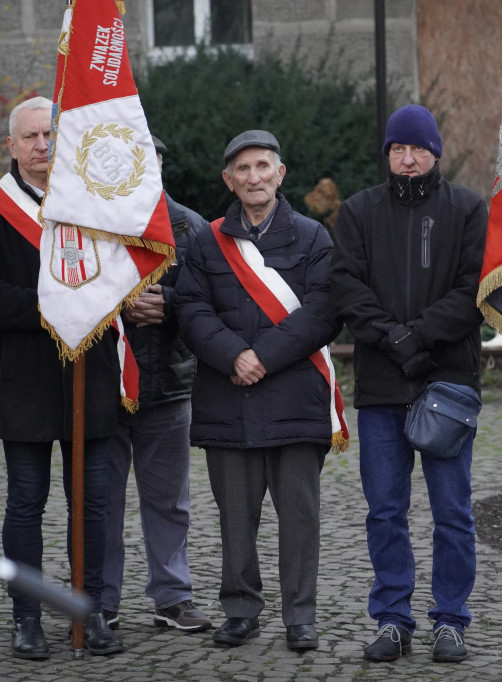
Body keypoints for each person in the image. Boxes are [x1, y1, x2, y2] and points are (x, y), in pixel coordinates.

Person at [0, 96, 123, 659]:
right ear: (11, 145)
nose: (41, 147)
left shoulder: (93, 204)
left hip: (90, 378)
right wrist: (51, 308)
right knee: (26, 503)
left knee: (92, 505)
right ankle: (26, 617)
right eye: (29, 137)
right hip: (24, 381)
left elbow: (118, 275)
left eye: (49, 135)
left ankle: (91, 609)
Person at [330, 104, 488, 664]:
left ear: (435, 152)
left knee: (453, 512)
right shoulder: (358, 211)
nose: (408, 157)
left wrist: (416, 336)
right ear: (388, 154)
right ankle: (394, 618)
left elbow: (475, 290)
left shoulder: (468, 210)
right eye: (398, 148)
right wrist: (392, 339)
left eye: (418, 148)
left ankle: (451, 619)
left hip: (447, 385)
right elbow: (346, 285)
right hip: (380, 387)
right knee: (385, 510)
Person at [175, 130, 341, 651]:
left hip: (294, 397)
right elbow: (190, 309)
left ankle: (300, 616)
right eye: (242, 169)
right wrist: (233, 356)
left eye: (262, 167)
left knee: (299, 518)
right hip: (230, 399)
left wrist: (262, 357)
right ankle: (241, 610)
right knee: (235, 520)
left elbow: (324, 311)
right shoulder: (207, 240)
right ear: (229, 179)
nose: (253, 178)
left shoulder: (314, 237)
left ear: (280, 173)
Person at [100, 135, 212, 633]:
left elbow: (212, 303)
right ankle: (101, 600)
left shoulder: (192, 226)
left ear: (162, 166)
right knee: (101, 501)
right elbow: (68, 294)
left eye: (153, 162)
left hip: (169, 383)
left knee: (169, 500)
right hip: (104, 385)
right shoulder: (92, 224)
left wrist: (170, 306)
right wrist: (119, 305)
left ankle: (173, 597)